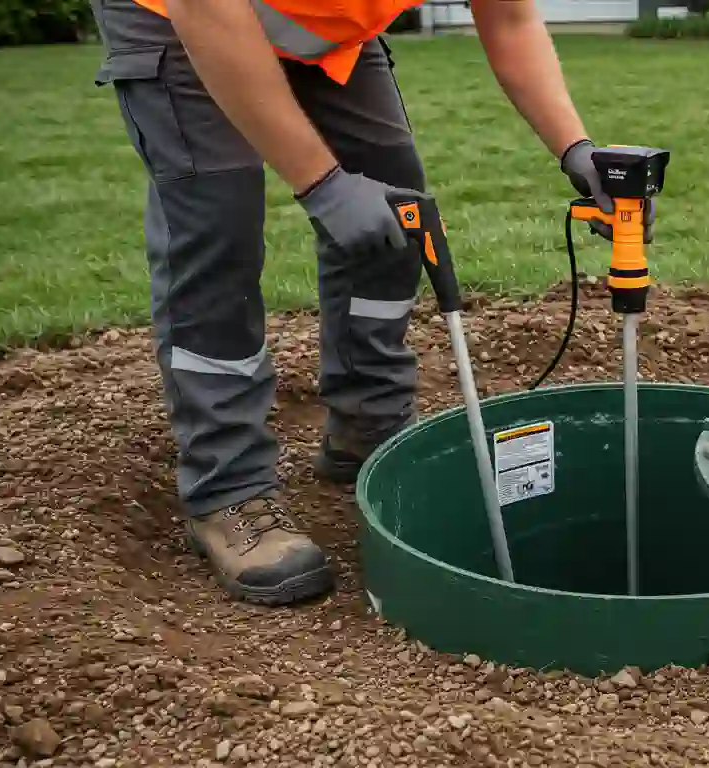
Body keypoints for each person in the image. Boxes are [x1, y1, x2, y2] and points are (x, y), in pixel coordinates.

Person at [87, 0, 652, 606]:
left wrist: (575, 149)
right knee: (217, 231)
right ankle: (228, 488)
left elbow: (509, 18)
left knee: (395, 209)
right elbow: (207, 12)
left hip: (321, 34)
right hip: (185, 15)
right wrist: (322, 184)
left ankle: (369, 430)